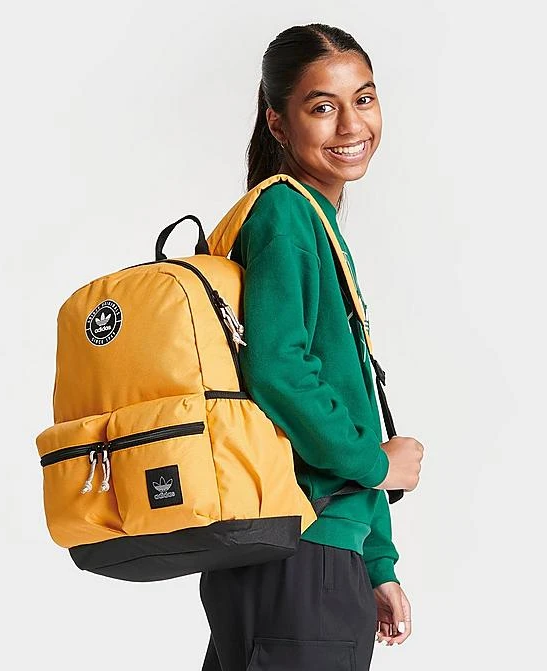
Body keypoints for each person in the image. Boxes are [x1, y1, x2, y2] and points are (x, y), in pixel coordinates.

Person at [199, 23, 424, 671]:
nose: (352, 124)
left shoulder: (307, 218)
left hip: (305, 551)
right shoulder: (286, 214)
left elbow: (343, 391)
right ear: (277, 122)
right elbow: (279, 368)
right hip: (301, 554)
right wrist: (374, 465)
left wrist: (374, 560)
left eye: (364, 98)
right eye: (322, 106)